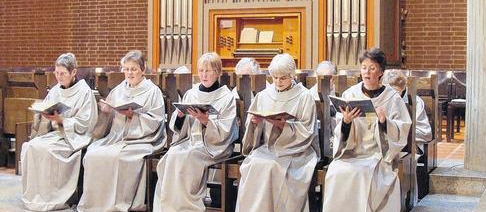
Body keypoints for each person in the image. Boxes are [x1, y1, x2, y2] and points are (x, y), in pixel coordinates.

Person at [322, 48, 412, 212]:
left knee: (363, 173)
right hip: (353, 151)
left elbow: (402, 129)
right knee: (336, 170)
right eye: (364, 67)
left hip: (379, 156)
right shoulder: (351, 94)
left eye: (372, 68)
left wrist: (385, 122)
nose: (367, 72)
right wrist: (346, 122)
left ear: (381, 72)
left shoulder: (392, 98)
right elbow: (340, 132)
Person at [77, 50, 166, 212]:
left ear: (143, 70)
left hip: (142, 139)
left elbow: (156, 120)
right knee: (92, 154)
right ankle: (97, 204)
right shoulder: (119, 90)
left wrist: (134, 116)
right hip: (116, 137)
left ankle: (118, 204)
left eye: (133, 69)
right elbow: (108, 120)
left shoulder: (153, 91)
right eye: (126, 69)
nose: (129, 73)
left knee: (120, 157)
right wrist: (106, 111)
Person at [153, 52, 238, 212]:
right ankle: (170, 205)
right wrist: (179, 116)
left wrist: (206, 120)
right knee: (171, 155)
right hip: (190, 140)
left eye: (208, 71)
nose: (204, 75)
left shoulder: (227, 97)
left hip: (214, 145)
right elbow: (178, 127)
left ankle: (187, 206)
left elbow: (227, 128)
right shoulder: (191, 93)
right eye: (201, 71)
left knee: (186, 156)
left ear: (218, 72)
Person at [235, 53, 319, 212]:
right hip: (267, 148)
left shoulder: (304, 96)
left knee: (272, 166)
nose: (278, 82)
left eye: (283, 78)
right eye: (274, 77)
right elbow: (251, 125)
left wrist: (284, 125)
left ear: (292, 75)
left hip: (296, 150)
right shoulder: (264, 94)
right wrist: (254, 123)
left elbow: (307, 129)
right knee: (253, 163)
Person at [21, 53, 98, 211]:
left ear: (73, 72)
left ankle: (52, 197)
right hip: (55, 134)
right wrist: (43, 115)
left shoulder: (84, 92)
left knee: (48, 150)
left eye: (63, 73)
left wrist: (63, 121)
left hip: (74, 136)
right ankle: (37, 195)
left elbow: (86, 122)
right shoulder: (56, 90)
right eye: (56, 73)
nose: (59, 77)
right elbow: (47, 111)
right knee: (30, 147)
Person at [384, 69, 432, 155]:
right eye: (388, 91)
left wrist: (400, 133)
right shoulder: (384, 99)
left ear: (403, 88)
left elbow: (425, 133)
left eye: (395, 91)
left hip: (411, 144)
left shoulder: (416, 101)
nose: (392, 95)